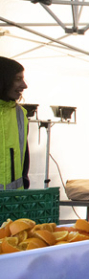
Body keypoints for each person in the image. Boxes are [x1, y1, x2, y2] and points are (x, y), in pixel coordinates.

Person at [0, 57, 30, 190]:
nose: (24, 85)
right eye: (18, 79)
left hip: (13, 205)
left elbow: (24, 162)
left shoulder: (20, 114)